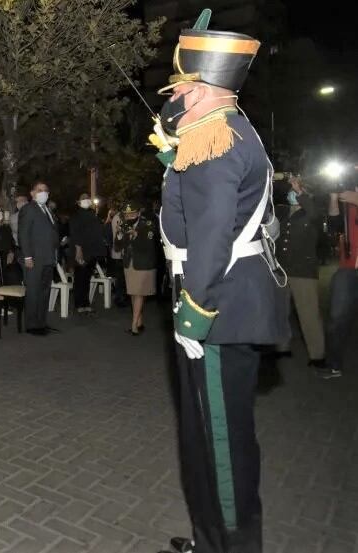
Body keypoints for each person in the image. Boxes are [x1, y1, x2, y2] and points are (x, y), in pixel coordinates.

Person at [156, 11, 288, 552]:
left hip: (218, 305)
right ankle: (211, 540)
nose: (176, 95)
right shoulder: (223, 128)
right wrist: (172, 141)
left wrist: (195, 308)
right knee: (207, 441)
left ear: (206, 89)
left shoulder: (216, 140)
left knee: (220, 447)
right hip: (228, 298)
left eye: (184, 87)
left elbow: (211, 235)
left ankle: (230, 544)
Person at [274, 177, 326, 369]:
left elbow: (312, 211)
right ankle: (281, 347)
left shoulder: (312, 213)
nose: (292, 193)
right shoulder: (282, 211)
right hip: (282, 270)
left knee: (308, 314)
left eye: (298, 190)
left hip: (303, 272)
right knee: (280, 312)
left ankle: (317, 355)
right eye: (292, 190)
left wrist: (300, 192)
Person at [325, 180, 358, 379]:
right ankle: (333, 365)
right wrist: (333, 199)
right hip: (348, 268)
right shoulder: (348, 193)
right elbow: (334, 226)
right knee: (337, 318)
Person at [18, 182, 59, 336]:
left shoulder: (47, 209)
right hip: (34, 258)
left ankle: (41, 322)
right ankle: (32, 325)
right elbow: (23, 234)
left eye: (46, 190)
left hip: (48, 257)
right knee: (34, 291)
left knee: (44, 291)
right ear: (32, 193)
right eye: (40, 190)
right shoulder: (29, 209)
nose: (44, 193)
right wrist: (27, 256)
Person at [114, 203, 157, 335]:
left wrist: (136, 235)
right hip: (129, 264)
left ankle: (134, 324)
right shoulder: (124, 225)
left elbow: (149, 245)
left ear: (138, 213)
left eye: (132, 214)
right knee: (133, 293)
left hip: (143, 264)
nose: (129, 216)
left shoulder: (147, 224)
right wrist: (119, 235)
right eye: (127, 215)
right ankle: (139, 321)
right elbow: (117, 247)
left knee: (139, 293)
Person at [70, 193, 107, 314]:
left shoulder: (92, 214)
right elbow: (75, 234)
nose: (86, 200)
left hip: (92, 252)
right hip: (82, 251)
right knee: (80, 278)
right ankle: (79, 304)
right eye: (83, 199)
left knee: (86, 279)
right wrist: (78, 250)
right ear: (78, 202)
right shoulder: (77, 216)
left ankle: (85, 303)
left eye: (87, 198)